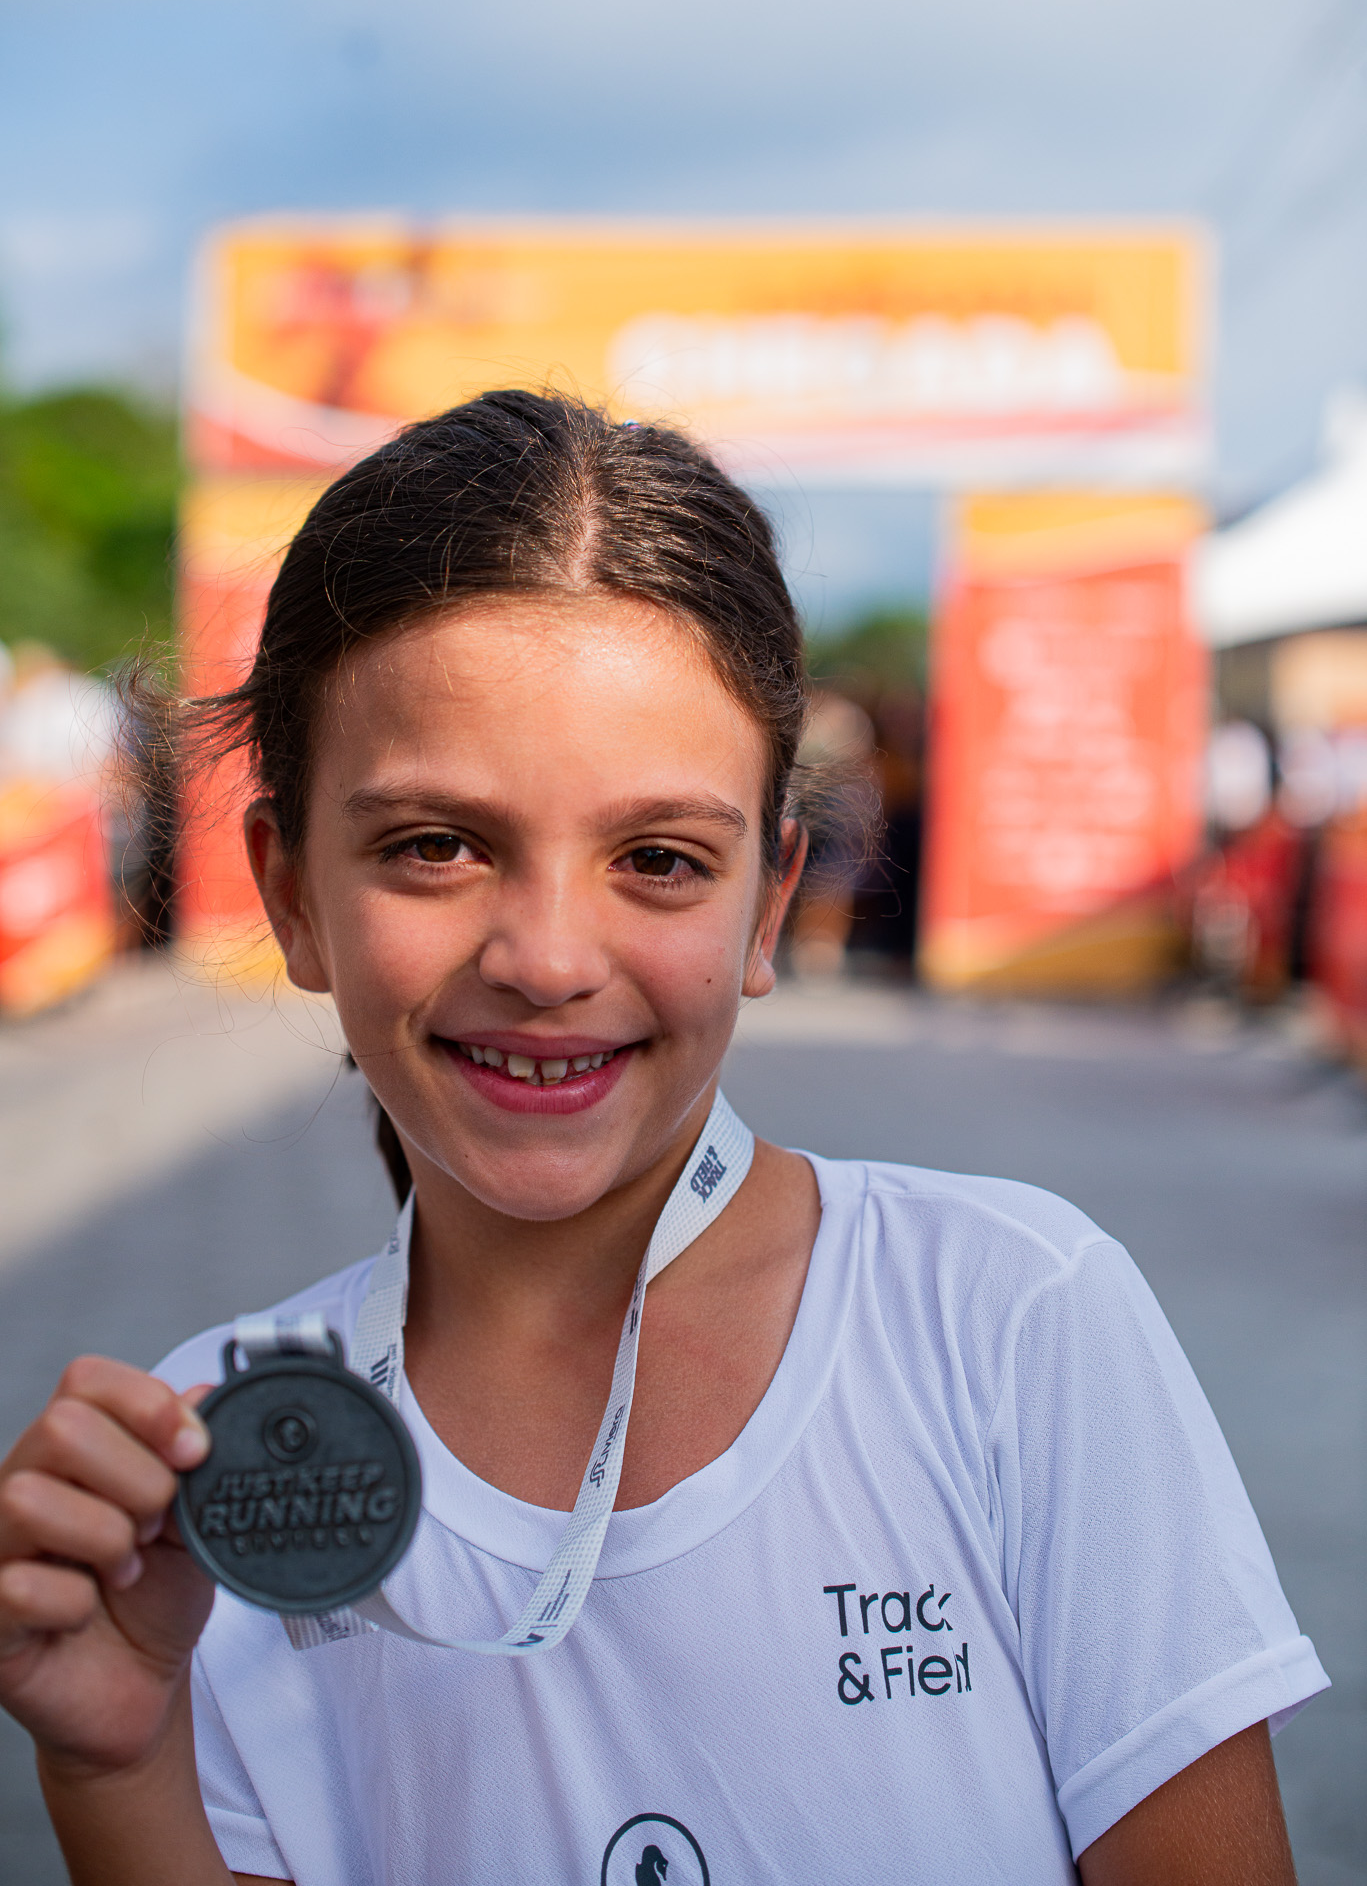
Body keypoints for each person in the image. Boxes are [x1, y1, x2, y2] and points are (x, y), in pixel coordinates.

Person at [0, 394, 1326, 1884]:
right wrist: (116, 1771)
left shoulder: (1003, 1322)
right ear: (293, 893)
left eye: (658, 859)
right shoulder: (212, 1469)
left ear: (770, 906)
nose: (549, 959)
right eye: (436, 845)